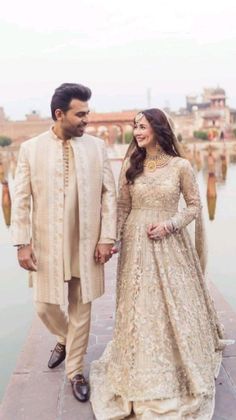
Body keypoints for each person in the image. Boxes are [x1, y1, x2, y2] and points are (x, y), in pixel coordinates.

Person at [90, 108, 229, 419]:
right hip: (136, 245)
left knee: (173, 304)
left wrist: (170, 224)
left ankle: (177, 360)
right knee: (141, 305)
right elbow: (122, 207)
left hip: (169, 242)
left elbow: (194, 206)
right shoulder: (132, 165)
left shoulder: (180, 166)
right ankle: (141, 362)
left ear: (159, 129)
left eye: (142, 127)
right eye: (135, 127)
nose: (137, 133)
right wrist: (112, 240)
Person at [11, 83, 117, 402]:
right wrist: (22, 243)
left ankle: (75, 371)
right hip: (46, 242)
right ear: (60, 114)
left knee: (81, 306)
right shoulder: (31, 149)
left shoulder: (96, 148)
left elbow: (109, 195)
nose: (87, 119)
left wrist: (106, 237)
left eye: (87, 113)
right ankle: (64, 337)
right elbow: (21, 199)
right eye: (80, 114)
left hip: (85, 243)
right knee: (43, 305)